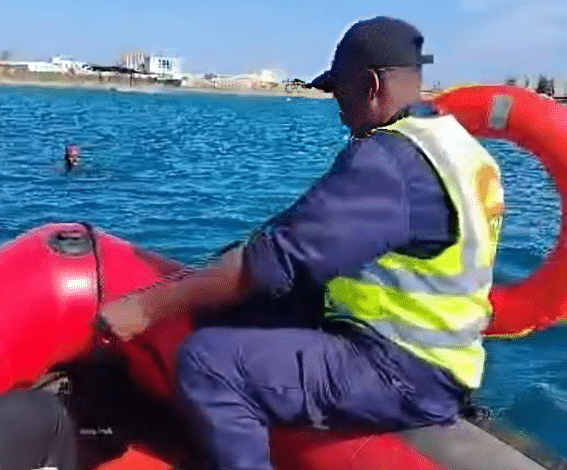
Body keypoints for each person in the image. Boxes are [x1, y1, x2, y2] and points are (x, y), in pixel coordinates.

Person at [101, 16, 505, 470]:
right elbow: (305, 237)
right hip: (442, 357)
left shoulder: (390, 159)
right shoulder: (460, 150)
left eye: (340, 92)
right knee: (244, 308)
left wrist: (145, 308)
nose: (338, 107)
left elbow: (274, 263)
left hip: (403, 370)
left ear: (371, 86)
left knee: (209, 363)